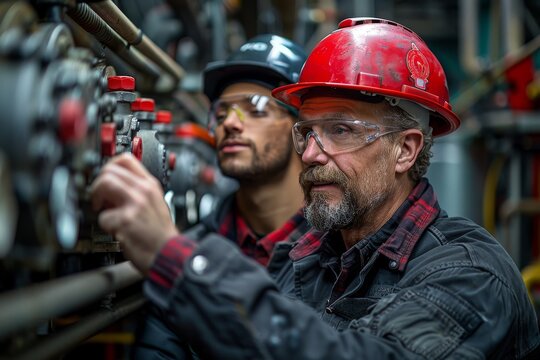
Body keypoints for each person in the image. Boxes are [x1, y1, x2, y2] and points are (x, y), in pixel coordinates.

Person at [92, 18, 540, 359]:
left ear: (405, 151)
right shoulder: (304, 259)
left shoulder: (472, 274)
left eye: (341, 130)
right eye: (307, 133)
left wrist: (179, 261)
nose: (310, 154)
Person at [131, 34, 309, 358]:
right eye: (222, 111)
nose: (230, 124)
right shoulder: (187, 254)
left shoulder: (343, 251)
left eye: (255, 109)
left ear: (302, 129)